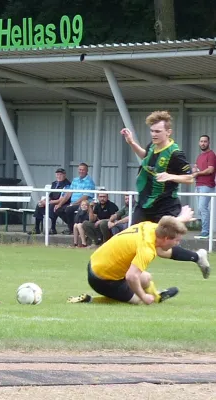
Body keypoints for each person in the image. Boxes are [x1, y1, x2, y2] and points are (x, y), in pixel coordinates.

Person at [120, 110, 211, 273]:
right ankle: (197, 257)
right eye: (152, 131)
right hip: (145, 202)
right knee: (133, 240)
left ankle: (197, 257)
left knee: (161, 247)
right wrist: (131, 142)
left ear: (168, 132)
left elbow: (189, 178)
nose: (153, 134)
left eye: (157, 131)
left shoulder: (176, 154)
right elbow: (145, 156)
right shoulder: (152, 146)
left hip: (165, 205)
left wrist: (170, 176)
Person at [67, 206, 210, 305]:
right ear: (167, 238)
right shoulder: (147, 249)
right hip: (102, 279)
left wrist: (181, 219)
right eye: (177, 240)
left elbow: (165, 225)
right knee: (139, 301)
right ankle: (91, 299)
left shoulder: (150, 227)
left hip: (97, 262)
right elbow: (131, 276)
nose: (177, 243)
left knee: (147, 277)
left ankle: (157, 295)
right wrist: (143, 296)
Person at [53, 163, 96, 235]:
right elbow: (68, 193)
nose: (81, 171)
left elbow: (85, 197)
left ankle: (72, 229)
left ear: (87, 171)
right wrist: (60, 204)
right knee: (58, 209)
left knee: (68, 209)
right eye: (80, 169)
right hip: (73, 203)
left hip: (84, 203)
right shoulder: (75, 180)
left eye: (83, 170)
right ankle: (73, 226)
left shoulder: (89, 181)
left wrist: (74, 204)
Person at [28, 167, 71, 235]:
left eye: (60, 174)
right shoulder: (54, 183)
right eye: (57, 174)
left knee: (52, 206)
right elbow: (51, 195)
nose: (59, 176)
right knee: (39, 205)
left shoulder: (67, 185)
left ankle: (53, 228)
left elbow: (62, 199)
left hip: (63, 203)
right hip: (53, 202)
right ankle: (36, 228)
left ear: (64, 175)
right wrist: (44, 201)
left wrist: (48, 202)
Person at [192, 135, 216, 239]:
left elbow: (210, 169)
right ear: (199, 143)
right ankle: (205, 231)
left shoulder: (211, 155)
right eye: (201, 141)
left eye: (205, 141)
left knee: (203, 208)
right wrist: (194, 171)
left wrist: (198, 173)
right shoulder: (199, 156)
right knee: (200, 209)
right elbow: (197, 170)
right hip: (198, 185)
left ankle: (206, 232)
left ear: (208, 143)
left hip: (207, 185)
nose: (203, 143)